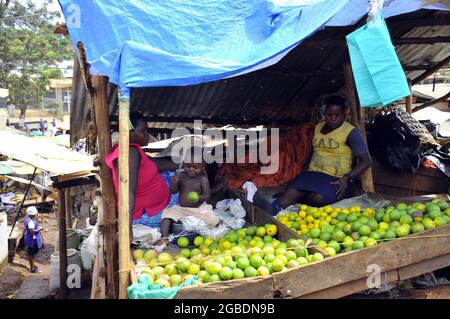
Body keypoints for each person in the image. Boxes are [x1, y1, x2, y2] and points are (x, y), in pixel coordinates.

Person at [254, 95, 372, 215]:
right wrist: (302, 173)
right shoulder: (318, 127)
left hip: (337, 179)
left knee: (317, 198)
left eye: (337, 115)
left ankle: (295, 199)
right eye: (329, 115)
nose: (333, 118)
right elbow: (314, 152)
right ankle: (272, 209)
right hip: (314, 174)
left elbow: (366, 161)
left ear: (345, 114)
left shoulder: (351, 132)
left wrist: (347, 179)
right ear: (324, 112)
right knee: (293, 190)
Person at [105, 112, 178, 235]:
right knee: (190, 184)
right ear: (128, 133)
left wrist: (183, 162)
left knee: (178, 173)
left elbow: (156, 164)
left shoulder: (130, 150)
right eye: (143, 131)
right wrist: (126, 229)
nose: (147, 134)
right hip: (147, 216)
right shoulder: (131, 153)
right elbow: (128, 191)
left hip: (151, 208)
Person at [159, 147, 219, 240]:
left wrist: (198, 197)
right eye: (188, 166)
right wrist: (173, 183)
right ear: (183, 165)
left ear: (203, 166)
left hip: (198, 210)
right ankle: (164, 237)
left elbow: (207, 196)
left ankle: (211, 234)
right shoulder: (182, 176)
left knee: (214, 220)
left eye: (195, 167)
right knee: (167, 214)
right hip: (182, 209)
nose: (191, 169)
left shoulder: (203, 179)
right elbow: (173, 191)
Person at [23, 206, 43, 273]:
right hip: (31, 239)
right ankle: (32, 268)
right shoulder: (30, 222)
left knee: (31, 253)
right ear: (34, 214)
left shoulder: (26, 218)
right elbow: (32, 231)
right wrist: (39, 229)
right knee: (31, 254)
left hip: (28, 237)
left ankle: (33, 265)